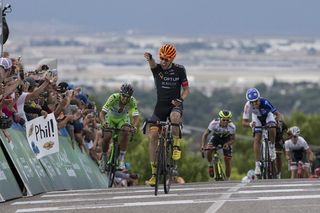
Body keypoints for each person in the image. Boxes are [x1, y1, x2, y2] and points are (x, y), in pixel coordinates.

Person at [144, 43, 190, 186]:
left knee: (174, 117)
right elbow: (152, 64)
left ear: (172, 59)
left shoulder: (179, 70)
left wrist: (180, 99)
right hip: (160, 107)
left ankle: (176, 145)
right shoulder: (157, 69)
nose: (163, 62)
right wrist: (150, 58)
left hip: (175, 104)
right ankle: (154, 173)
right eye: (161, 58)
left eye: (166, 59)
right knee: (152, 136)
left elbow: (187, 90)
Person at [99, 83, 139, 172]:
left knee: (126, 131)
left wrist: (134, 127)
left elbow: (136, 116)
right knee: (107, 136)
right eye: (123, 96)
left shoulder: (132, 101)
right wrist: (103, 122)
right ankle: (104, 158)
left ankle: (121, 158)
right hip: (110, 118)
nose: (125, 98)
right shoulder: (113, 97)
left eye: (127, 97)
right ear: (120, 93)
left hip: (123, 119)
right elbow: (102, 113)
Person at [242, 87, 282, 176]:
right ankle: (257, 165)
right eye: (252, 102)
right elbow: (243, 122)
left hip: (268, 116)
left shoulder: (265, 102)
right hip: (257, 119)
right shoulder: (248, 106)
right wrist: (250, 124)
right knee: (257, 138)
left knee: (272, 127)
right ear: (249, 102)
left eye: (256, 101)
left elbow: (278, 114)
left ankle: (271, 146)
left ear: (259, 99)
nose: (255, 104)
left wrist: (278, 122)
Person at [201, 110, 236, 180]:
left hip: (226, 139)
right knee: (209, 149)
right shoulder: (213, 123)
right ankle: (210, 165)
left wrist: (227, 144)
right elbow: (205, 134)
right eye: (223, 120)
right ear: (220, 118)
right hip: (216, 138)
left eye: (227, 120)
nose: (225, 122)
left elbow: (233, 139)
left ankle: (227, 179)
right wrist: (203, 146)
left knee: (227, 160)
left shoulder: (232, 127)